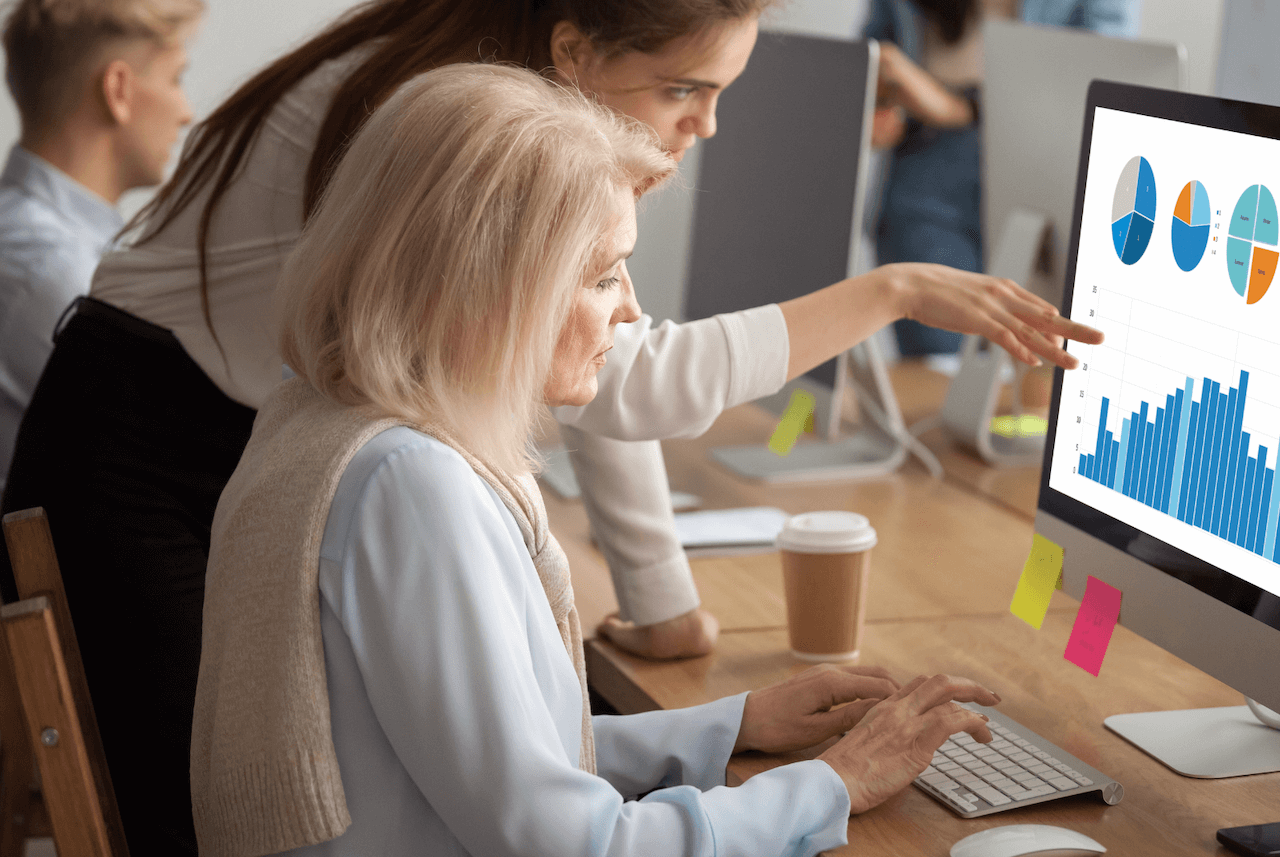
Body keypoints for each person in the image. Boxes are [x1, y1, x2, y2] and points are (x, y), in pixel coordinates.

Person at [2, 0, 1100, 851]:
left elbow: (500, 749)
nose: (704, 126)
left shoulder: (407, 369)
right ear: (574, 52)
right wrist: (830, 783)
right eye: (683, 87)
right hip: (139, 445)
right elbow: (558, 834)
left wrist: (722, 710)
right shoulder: (447, 202)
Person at [193, 61, 1008, 856]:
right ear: (487, 288)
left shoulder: (321, 418)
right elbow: (572, 843)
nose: (631, 309)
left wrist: (731, 725)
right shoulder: (411, 486)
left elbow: (501, 764)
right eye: (601, 276)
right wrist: (835, 782)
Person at [864, 0, 1141, 354]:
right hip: (927, 166)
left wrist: (961, 108)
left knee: (1033, 376)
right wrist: (878, 101)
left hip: (1041, 158)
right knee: (941, 373)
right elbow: (880, 28)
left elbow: (1106, 52)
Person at [0, 0, 202, 498]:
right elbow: (171, 461)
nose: (187, 112)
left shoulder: (61, 251)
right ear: (118, 90)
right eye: (176, 78)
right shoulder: (51, 267)